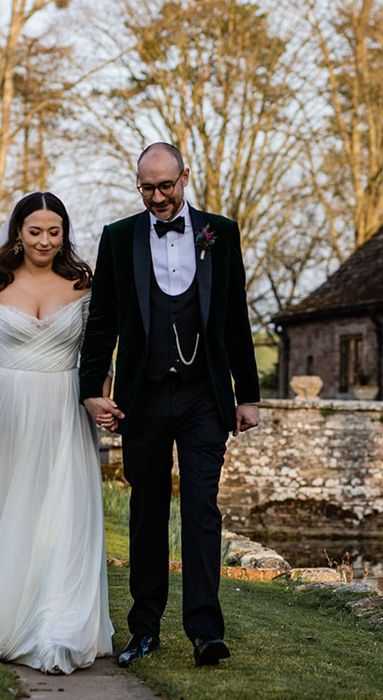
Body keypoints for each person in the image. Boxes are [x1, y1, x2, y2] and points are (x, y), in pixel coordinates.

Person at [79, 142, 260, 668]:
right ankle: (144, 629)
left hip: (205, 394)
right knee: (147, 511)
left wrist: (246, 395)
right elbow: (104, 320)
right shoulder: (118, 238)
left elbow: (234, 317)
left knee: (202, 508)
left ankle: (206, 632)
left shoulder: (219, 233)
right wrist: (93, 389)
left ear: (185, 177)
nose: (157, 197)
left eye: (165, 186)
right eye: (146, 188)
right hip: (145, 396)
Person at [0, 192, 114, 674]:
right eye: (34, 231)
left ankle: (60, 621)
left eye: (54, 231)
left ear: (64, 233)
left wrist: (102, 398)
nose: (44, 240)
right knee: (13, 507)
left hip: (66, 408)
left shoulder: (84, 285)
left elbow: (98, 354)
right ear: (17, 232)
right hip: (8, 407)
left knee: (63, 513)